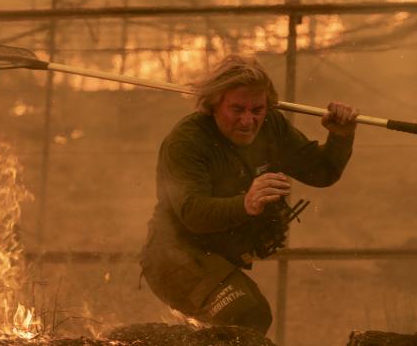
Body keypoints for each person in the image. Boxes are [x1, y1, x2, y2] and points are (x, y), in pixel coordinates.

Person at [139, 54, 358, 335]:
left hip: (215, 256)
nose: (248, 120)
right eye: (237, 109)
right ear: (214, 105)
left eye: (257, 109)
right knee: (247, 315)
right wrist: (246, 203)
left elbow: (321, 172)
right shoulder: (187, 141)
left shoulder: (272, 126)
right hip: (173, 256)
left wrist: (340, 137)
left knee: (247, 318)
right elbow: (192, 213)